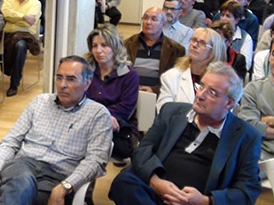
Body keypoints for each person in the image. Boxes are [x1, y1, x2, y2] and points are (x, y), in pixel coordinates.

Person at [108, 62, 262, 205]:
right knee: (124, 182)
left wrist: (205, 201)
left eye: (212, 93)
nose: (200, 95)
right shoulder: (171, 112)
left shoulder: (246, 136)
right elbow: (143, 150)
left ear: (229, 103)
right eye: (201, 86)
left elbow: (248, 190)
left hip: (197, 200)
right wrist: (155, 182)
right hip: (154, 193)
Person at [0, 55, 112, 204]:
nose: (62, 84)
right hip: (23, 166)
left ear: (87, 84)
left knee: (20, 195)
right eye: (59, 77)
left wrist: (65, 187)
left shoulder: (98, 114)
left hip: (58, 177)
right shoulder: (39, 102)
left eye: (71, 79)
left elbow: (95, 160)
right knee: (20, 183)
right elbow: (10, 141)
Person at [84, 24, 139, 163]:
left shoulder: (129, 74)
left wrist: (102, 116)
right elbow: (80, 99)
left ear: (115, 47)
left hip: (117, 126)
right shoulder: (86, 70)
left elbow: (125, 107)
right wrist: (100, 116)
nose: (99, 50)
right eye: (94, 46)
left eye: (104, 45)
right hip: (87, 122)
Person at [157, 28, 226, 112]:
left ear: (214, 51)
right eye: (194, 40)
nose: (194, 45)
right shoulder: (171, 77)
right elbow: (163, 111)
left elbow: (222, 113)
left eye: (202, 43)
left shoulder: (221, 83)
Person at [124, 7, 186, 94]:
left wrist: (155, 90)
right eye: (145, 18)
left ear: (163, 24)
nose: (148, 22)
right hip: (129, 92)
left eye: (154, 19)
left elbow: (176, 79)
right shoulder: (127, 44)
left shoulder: (176, 50)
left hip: (159, 96)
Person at [0, 0, 41, 97]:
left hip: (26, 36)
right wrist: (23, 17)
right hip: (6, 35)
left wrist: (13, 18)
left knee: (20, 45)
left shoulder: (36, 3)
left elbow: (31, 22)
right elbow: (5, 13)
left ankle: (14, 83)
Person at [218, 1, 253, 70]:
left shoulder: (245, 38)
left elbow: (246, 66)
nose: (223, 19)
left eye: (228, 16)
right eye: (222, 15)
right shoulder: (213, 33)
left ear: (237, 20)